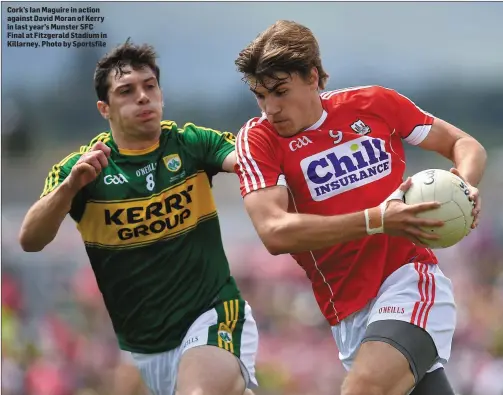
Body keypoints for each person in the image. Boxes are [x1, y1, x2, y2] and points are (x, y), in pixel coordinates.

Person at [233, 20, 487, 395]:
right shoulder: (258, 141)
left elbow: (465, 145)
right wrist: (378, 220)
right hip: (348, 314)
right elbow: (274, 231)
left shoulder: (373, 104)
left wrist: (463, 185)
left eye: (280, 92)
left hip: (411, 284)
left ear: (313, 77)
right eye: (260, 96)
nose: (271, 108)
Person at [18, 39, 258, 395]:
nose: (143, 97)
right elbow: (30, 240)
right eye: (126, 91)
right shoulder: (81, 168)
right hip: (141, 349)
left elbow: (247, 161)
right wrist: (70, 188)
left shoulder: (191, 143)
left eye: (150, 87)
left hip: (212, 315)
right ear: (105, 108)